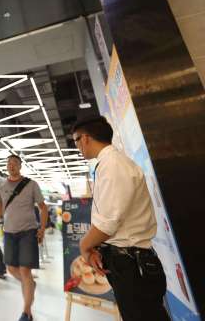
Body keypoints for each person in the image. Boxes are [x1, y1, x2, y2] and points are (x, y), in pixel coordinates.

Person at [73, 116, 169, 321]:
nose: (77, 147)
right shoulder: (108, 164)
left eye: (76, 141)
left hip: (131, 264)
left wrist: (84, 246)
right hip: (126, 260)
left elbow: (108, 223)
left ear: (85, 138)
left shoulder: (113, 166)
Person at [0, 155, 47, 321]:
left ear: (20, 166)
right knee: (11, 268)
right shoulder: (0, 184)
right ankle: (30, 285)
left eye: (15, 163)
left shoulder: (31, 184)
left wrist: (42, 229)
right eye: (9, 163)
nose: (11, 166)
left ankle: (26, 312)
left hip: (28, 232)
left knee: (25, 271)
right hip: (8, 232)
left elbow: (43, 207)